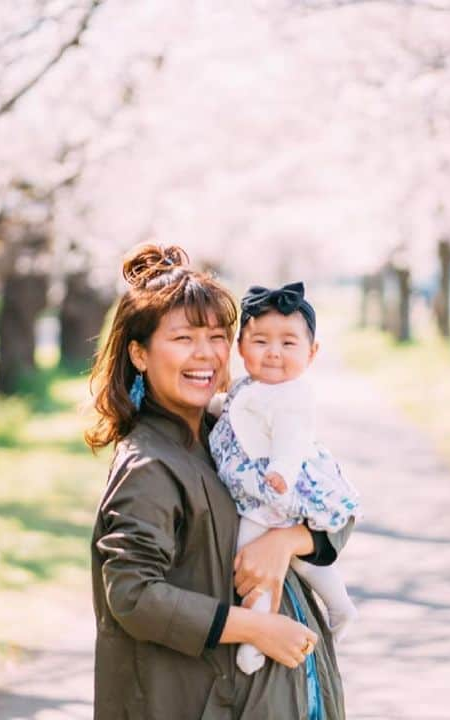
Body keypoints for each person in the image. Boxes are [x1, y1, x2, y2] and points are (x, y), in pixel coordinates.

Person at [87, 243, 354, 719]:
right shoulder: (149, 464)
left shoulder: (230, 430)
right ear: (139, 354)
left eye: (216, 337)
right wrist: (254, 628)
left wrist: (286, 541)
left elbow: (331, 501)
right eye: (184, 338)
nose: (206, 354)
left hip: (281, 694)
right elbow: (131, 593)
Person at [209, 282, 360, 675]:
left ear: (312, 354)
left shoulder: (294, 396)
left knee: (253, 561)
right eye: (261, 340)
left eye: (288, 343)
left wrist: (280, 472)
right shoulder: (248, 387)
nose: (274, 351)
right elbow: (232, 410)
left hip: (276, 492)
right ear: (241, 347)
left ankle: (257, 639)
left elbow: (292, 440)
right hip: (261, 494)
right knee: (302, 564)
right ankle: (340, 608)